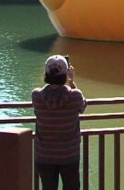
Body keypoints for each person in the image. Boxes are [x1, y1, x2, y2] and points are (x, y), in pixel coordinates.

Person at [32, 55, 87, 190]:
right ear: (66, 73)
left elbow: (47, 92)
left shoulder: (36, 96)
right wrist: (72, 82)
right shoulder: (75, 96)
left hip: (44, 154)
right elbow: (83, 106)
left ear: (46, 72)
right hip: (69, 154)